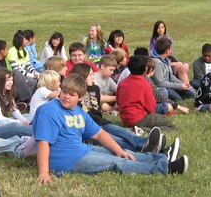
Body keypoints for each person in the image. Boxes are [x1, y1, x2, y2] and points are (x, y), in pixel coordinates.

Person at [33, 75, 187, 183]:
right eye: (64, 92)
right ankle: (165, 168)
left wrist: (119, 150)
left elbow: (99, 134)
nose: (66, 96)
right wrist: (44, 172)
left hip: (82, 149)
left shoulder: (79, 111)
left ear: (80, 97)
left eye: (71, 94)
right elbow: (43, 143)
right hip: (67, 160)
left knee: (124, 154)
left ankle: (161, 158)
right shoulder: (49, 111)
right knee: (116, 163)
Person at [69, 63, 165, 154]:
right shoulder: (73, 94)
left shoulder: (95, 89)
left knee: (123, 132)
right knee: (113, 139)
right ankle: (143, 148)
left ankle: (146, 142)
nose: (93, 77)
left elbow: (96, 108)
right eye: (90, 75)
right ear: (81, 76)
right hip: (89, 127)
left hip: (100, 121)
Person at [117, 55, 177, 132]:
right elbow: (151, 106)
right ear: (145, 69)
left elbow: (118, 100)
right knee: (170, 125)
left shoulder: (122, 82)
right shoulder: (144, 84)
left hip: (124, 119)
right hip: (138, 118)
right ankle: (143, 129)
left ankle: (138, 127)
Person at [151, 36, 197, 102]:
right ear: (166, 51)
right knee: (178, 100)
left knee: (191, 95)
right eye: (170, 48)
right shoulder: (156, 62)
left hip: (170, 85)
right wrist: (179, 86)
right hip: (162, 88)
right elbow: (161, 83)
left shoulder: (167, 60)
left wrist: (182, 84)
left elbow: (171, 77)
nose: (171, 50)